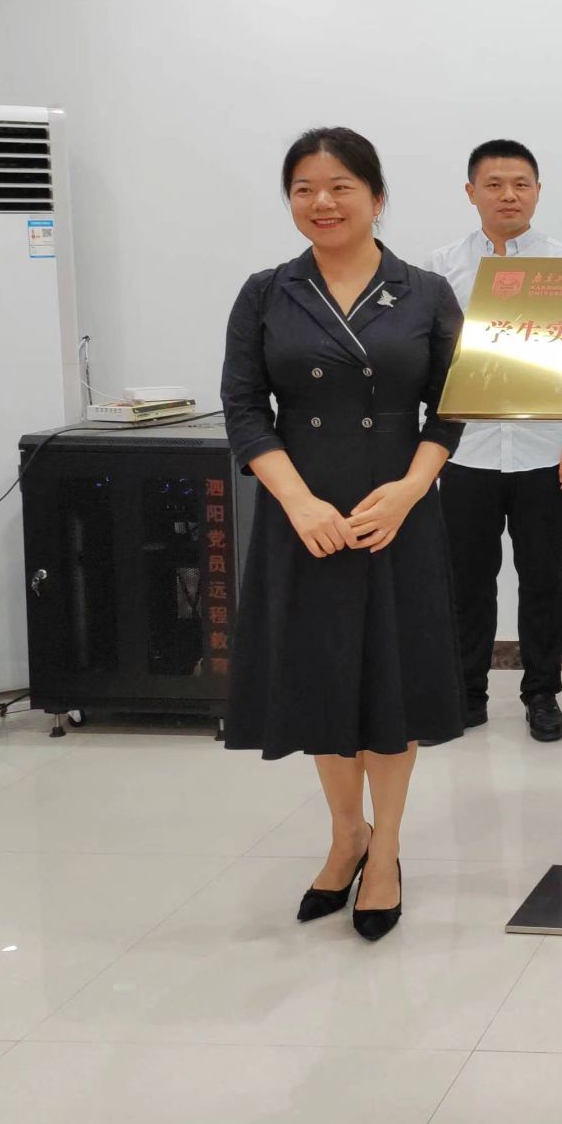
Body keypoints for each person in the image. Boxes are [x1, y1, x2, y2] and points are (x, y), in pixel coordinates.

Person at [221, 127, 464, 942]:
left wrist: (410, 491)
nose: (321, 203)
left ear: (376, 197)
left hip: (397, 513)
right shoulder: (267, 292)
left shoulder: (424, 291)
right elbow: (244, 409)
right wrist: (297, 504)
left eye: (340, 187)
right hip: (306, 515)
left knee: (391, 683)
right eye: (304, 189)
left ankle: (385, 849)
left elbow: (454, 406)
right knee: (323, 680)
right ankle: (344, 835)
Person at [428, 140, 562, 743]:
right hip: (465, 449)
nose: (508, 195)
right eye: (494, 185)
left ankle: (542, 695)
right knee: (467, 579)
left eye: (521, 184)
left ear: (538, 191)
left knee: (543, 579)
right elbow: (427, 364)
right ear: (471, 193)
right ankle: (465, 692)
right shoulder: (439, 269)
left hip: (543, 449)